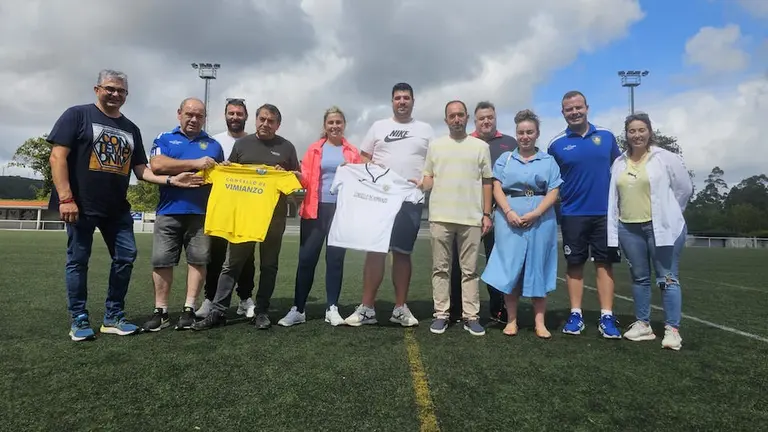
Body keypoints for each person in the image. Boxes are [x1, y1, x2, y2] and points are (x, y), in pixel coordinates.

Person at [48, 69, 203, 341]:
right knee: (78, 262)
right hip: (81, 205)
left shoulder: (131, 129)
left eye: (121, 91)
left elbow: (141, 171)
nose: (115, 94)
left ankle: (113, 316)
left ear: (127, 95)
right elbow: (57, 157)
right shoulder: (77, 115)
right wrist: (66, 198)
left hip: (117, 208)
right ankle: (79, 318)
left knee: (125, 257)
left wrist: (172, 180)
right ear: (97, 89)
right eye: (110, 89)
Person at [192, 103, 300, 331]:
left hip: (274, 217)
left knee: (269, 266)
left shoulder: (287, 147)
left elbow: (297, 180)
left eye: (271, 121)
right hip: (244, 218)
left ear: (278, 124)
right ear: (256, 120)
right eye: (262, 119)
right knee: (232, 264)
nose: (265, 124)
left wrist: (289, 174)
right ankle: (218, 311)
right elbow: (229, 172)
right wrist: (227, 167)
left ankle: (261, 311)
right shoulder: (242, 144)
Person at [344, 83, 434, 327]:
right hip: (379, 202)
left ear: (413, 101)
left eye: (406, 98)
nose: (402, 101)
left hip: (409, 201)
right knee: (375, 252)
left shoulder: (426, 130)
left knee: (403, 254)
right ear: (391, 101)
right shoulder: (378, 127)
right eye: (397, 98)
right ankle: (367, 309)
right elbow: (365, 158)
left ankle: (399, 308)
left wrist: (425, 184)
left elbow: (433, 167)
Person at [607, 112, 693, 350]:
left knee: (668, 278)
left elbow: (684, 189)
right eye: (632, 131)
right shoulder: (619, 162)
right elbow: (615, 196)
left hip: (661, 228)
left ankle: (672, 330)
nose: (637, 135)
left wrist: (670, 213)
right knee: (639, 278)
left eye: (641, 130)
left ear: (649, 131)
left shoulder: (665, 158)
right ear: (626, 134)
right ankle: (643, 324)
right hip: (628, 227)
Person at [142, 98, 225, 332]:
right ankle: (161, 311)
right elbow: (157, 165)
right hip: (169, 211)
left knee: (198, 261)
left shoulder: (213, 145)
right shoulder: (164, 138)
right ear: (179, 114)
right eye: (189, 114)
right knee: (161, 261)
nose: (194, 119)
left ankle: (189, 309)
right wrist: (195, 163)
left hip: (201, 214)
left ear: (205, 118)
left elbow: (221, 176)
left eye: (199, 115)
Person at [481, 109, 562, 339]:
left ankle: (540, 323)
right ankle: (512, 320)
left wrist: (536, 213)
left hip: (541, 220)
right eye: (521, 132)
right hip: (509, 220)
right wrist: (508, 212)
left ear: (537, 134)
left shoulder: (548, 161)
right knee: (511, 269)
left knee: (538, 266)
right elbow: (496, 186)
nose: (525, 136)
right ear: (516, 133)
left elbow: (553, 190)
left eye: (529, 132)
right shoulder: (506, 159)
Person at [413, 100, 492, 336]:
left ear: (467, 117)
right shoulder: (435, 146)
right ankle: (441, 314)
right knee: (440, 269)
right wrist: (419, 184)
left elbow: (487, 181)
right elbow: (428, 177)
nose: (456, 119)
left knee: (470, 271)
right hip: (440, 217)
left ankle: (471, 316)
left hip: (471, 218)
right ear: (446, 119)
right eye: (452, 116)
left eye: (460, 115)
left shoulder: (480, 146)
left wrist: (486, 213)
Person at [547, 90, 622, 338]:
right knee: (574, 264)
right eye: (569, 109)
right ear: (563, 112)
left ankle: (607, 316)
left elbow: (621, 171)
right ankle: (576, 314)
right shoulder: (556, 144)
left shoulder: (607, 137)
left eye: (578, 107)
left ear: (587, 107)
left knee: (605, 264)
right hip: (572, 214)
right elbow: (550, 181)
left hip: (604, 215)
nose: (575, 112)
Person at [277, 106, 361, 327]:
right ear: (325, 126)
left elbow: (360, 179)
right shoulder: (314, 149)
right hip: (314, 210)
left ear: (344, 125)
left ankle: (332, 307)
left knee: (335, 260)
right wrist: (295, 176)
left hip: (341, 212)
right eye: (331, 122)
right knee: (306, 260)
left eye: (338, 122)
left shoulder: (352, 152)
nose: (334, 126)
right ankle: (299, 308)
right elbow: (305, 178)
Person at [449, 101, 518, 323]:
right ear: (474, 121)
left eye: (490, 117)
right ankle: (457, 309)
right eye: (481, 118)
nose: (486, 121)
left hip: (499, 214)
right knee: (460, 263)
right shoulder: (465, 142)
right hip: (467, 212)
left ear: (495, 118)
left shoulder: (510, 143)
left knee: (496, 261)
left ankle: (498, 309)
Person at [198, 98, 256, 319]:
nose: (235, 117)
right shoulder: (214, 142)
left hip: (246, 210)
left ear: (245, 117)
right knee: (216, 254)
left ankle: (244, 298)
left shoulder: (253, 142)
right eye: (231, 113)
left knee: (247, 257)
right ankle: (210, 298)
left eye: (239, 114)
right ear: (225, 116)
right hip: (221, 208)